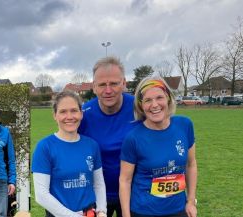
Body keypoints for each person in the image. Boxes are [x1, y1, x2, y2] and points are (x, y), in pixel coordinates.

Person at [119, 77, 198, 217]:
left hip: (179, 210)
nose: (154, 105)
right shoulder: (133, 138)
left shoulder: (185, 125)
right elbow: (125, 180)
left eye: (159, 97)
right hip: (144, 211)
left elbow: (191, 164)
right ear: (140, 105)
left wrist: (191, 201)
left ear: (168, 98)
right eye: (148, 100)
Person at [79, 56, 139, 217]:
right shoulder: (82, 114)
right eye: (102, 85)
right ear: (94, 87)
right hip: (95, 195)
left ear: (124, 83)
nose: (108, 90)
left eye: (114, 83)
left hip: (133, 193)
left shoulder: (139, 108)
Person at [32, 90, 107, 217]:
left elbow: (98, 183)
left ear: (81, 114)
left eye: (74, 110)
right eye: (63, 111)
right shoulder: (44, 147)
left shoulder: (92, 145)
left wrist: (102, 211)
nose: (69, 116)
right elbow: (41, 195)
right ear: (54, 115)